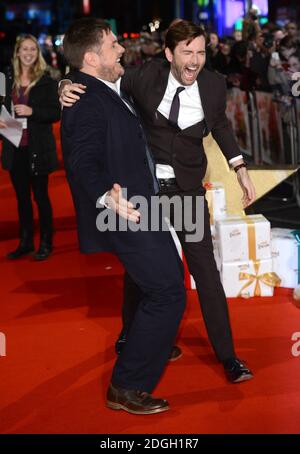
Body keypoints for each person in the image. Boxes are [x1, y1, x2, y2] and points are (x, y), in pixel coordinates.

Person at [60, 20, 256, 383]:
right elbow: (96, 80)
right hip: (148, 193)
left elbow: (221, 126)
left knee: (206, 274)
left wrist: (239, 165)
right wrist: (65, 84)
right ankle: (131, 335)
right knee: (143, 271)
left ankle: (228, 356)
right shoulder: (145, 77)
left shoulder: (213, 85)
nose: (195, 60)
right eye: (187, 52)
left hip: (187, 194)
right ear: (169, 54)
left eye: (200, 52)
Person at [61, 17, 186, 415]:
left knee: (152, 281)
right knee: (168, 291)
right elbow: (80, 159)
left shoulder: (103, 85)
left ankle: (143, 341)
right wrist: (104, 196)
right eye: (114, 44)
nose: (122, 50)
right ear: (92, 57)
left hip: (141, 203)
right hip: (123, 209)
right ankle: (127, 384)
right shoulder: (83, 96)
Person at [0, 34, 60, 260]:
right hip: (13, 146)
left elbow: (55, 112)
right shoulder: (4, 78)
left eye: (32, 50)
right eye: (24, 49)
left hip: (37, 146)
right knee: (21, 198)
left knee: (41, 197)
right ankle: (25, 241)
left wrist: (33, 112)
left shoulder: (46, 79)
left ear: (38, 53)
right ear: (17, 52)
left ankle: (46, 241)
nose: (28, 54)